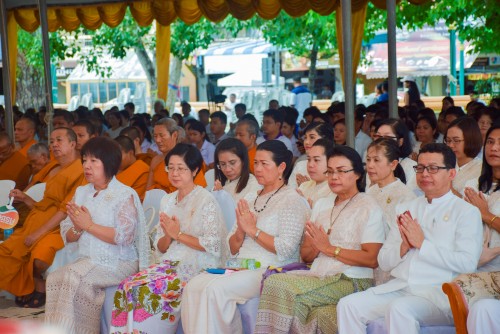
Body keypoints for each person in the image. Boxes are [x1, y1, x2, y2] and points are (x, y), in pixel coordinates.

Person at [337, 143, 483, 334]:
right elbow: (383, 261)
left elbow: (467, 264)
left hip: (438, 294)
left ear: (451, 174)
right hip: (401, 287)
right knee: (348, 305)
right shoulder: (407, 207)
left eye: (433, 168)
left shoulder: (466, 212)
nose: (424, 174)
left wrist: (422, 244)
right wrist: (403, 248)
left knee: (400, 309)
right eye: (420, 168)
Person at [181, 140, 311, 333]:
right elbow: (232, 247)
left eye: (264, 164)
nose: (257, 168)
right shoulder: (250, 198)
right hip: (240, 264)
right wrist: (241, 231)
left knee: (214, 290)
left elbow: (286, 249)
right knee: (193, 286)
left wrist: (253, 231)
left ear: (281, 167)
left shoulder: (292, 199)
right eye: (256, 163)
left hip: (271, 268)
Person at [255, 145, 385, 333]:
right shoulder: (322, 205)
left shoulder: (368, 206)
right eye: (330, 172)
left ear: (357, 174)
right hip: (319, 274)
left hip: (353, 279)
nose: (334, 177)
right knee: (316, 312)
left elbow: (372, 259)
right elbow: (306, 256)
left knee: (279, 285)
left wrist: (329, 248)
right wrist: (317, 246)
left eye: (341, 171)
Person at [110, 143, 227, 333]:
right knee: (127, 285)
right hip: (169, 261)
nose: (174, 173)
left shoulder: (205, 200)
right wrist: (169, 236)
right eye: (170, 168)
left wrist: (178, 235)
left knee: (144, 290)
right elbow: (161, 247)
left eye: (181, 168)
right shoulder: (167, 200)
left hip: (198, 264)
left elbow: (212, 245)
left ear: (195, 170)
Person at [44, 137, 148, 333]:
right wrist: (78, 227)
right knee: (55, 277)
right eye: (84, 160)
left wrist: (89, 225)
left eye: (93, 161)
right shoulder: (82, 192)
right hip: (88, 260)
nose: (87, 166)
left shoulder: (124, 194)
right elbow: (68, 234)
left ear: (108, 163)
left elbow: (124, 237)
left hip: (118, 261)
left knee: (72, 277)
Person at [2, 128, 84, 308]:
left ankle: (38, 288)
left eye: (59, 140)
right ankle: (27, 289)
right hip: (37, 219)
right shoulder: (54, 168)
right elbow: (45, 204)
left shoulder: (80, 170)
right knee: (8, 251)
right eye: (52, 141)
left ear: (72, 144)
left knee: (37, 254)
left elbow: (64, 210)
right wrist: (25, 198)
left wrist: (38, 233)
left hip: (59, 225)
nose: (54, 144)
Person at [365, 139, 416, 284]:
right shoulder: (371, 191)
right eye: (368, 160)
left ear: (393, 164)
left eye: (376, 160)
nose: (370, 165)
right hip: (368, 259)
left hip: (390, 264)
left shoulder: (405, 196)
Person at [464, 123, 500, 272]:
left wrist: (486, 215)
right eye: (490, 142)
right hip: (469, 260)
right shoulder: (472, 184)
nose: (494, 148)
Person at [147, 118, 206, 193]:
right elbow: (148, 192)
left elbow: (196, 192)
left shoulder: (189, 157)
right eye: (155, 136)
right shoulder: (156, 160)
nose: (158, 140)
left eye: (162, 136)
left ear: (174, 135)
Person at [371, 119, 419, 194]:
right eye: (378, 136)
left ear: (400, 141)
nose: (381, 141)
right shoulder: (371, 164)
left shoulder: (411, 167)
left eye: (387, 137)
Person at [443, 117, 483, 196]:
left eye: (456, 140)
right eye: (448, 141)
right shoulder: (443, 164)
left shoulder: (482, 169)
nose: (451, 145)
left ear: (470, 140)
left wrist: (447, 187)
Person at [213, 138, 260, 202]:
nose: (227, 169)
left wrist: (223, 198)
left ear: (243, 161)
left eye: (232, 163)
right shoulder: (220, 185)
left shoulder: (253, 186)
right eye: (223, 164)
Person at [289, 122, 334, 189]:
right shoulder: (300, 165)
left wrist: (307, 188)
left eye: (312, 137)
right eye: (305, 137)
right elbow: (290, 191)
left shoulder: (335, 165)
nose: (306, 142)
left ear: (325, 139)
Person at [297, 138, 333, 207]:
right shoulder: (303, 186)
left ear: (330, 162)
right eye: (309, 159)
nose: (310, 165)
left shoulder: (334, 189)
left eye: (316, 160)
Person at [115, 135, 150, 201]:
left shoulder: (142, 170)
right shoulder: (113, 169)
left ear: (130, 153)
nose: (115, 160)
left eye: (119, 156)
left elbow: (135, 200)